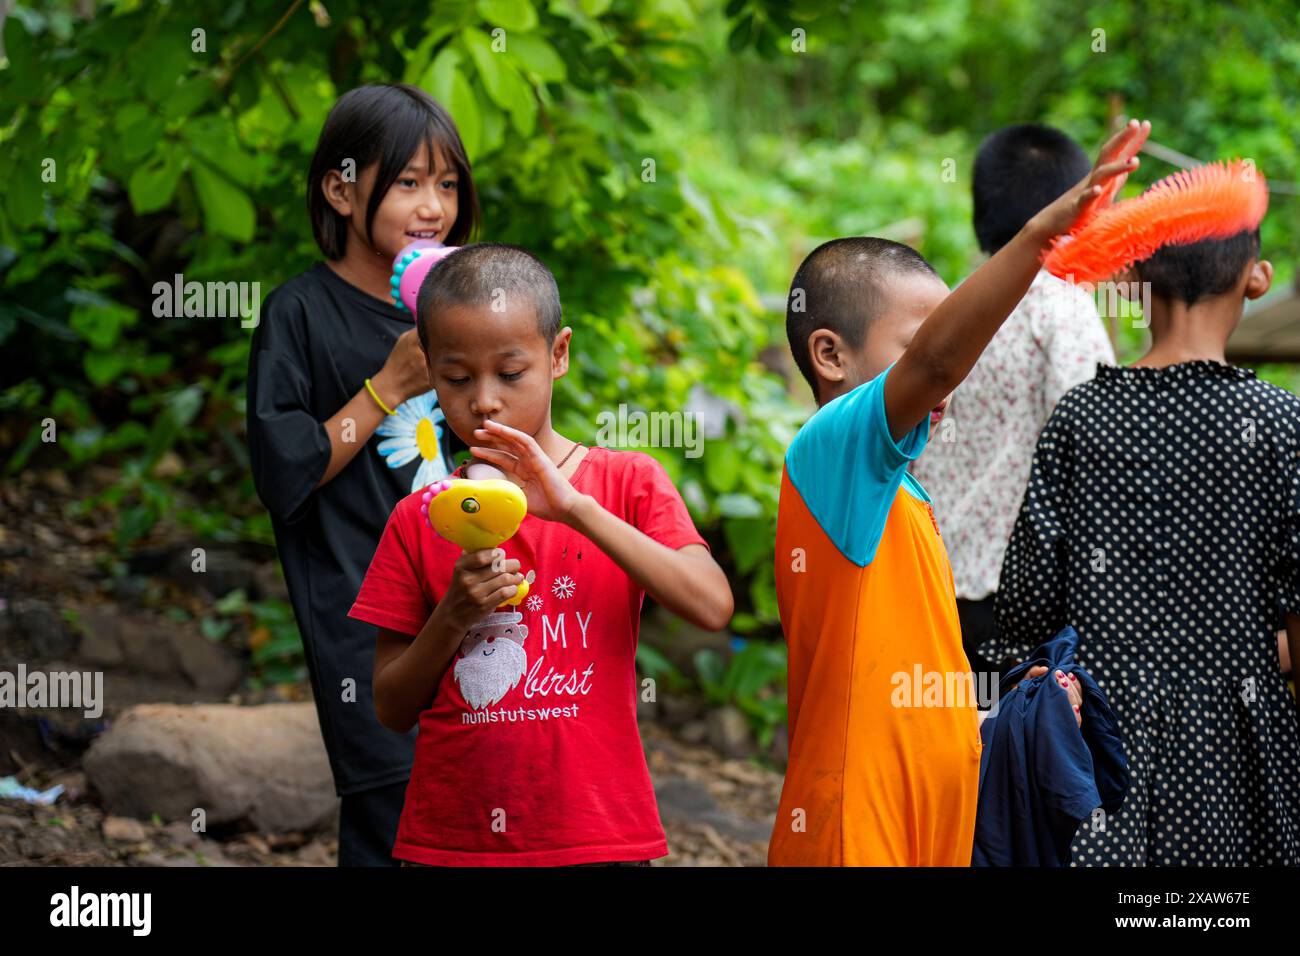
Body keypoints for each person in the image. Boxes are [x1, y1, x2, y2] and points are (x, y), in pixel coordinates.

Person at [766, 120, 1147, 866]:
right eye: (920, 338)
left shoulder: (907, 498)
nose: (953, 373)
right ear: (830, 355)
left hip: (927, 825)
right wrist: (1045, 234)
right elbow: (937, 367)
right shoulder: (829, 456)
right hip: (854, 825)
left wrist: (1016, 702)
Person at [348, 243, 734, 865]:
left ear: (558, 356)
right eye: (455, 378)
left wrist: (576, 508)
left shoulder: (625, 483)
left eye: (509, 373)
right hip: (456, 841)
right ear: (429, 370)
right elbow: (391, 707)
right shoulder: (421, 517)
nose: (483, 401)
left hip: (597, 833)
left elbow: (711, 604)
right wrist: (453, 615)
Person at [988, 222, 1300, 866]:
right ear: (1256, 277)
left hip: (1097, 741)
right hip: (1240, 744)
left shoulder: (1081, 418)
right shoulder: (1278, 423)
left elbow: (1026, 606)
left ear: (1131, 281)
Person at [246, 83, 479, 866]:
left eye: (447, 185)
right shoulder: (299, 314)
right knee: (390, 810)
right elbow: (286, 472)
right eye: (409, 181)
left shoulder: (452, 312)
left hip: (466, 594)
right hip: (362, 609)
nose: (433, 206)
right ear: (342, 189)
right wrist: (388, 386)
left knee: (470, 805)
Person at [912, 124, 1116, 676]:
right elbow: (1096, 441)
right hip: (1017, 595)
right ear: (1076, 207)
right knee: (1017, 755)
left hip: (931, 581)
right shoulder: (1061, 306)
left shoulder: (949, 307)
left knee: (957, 751)